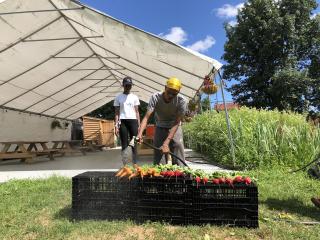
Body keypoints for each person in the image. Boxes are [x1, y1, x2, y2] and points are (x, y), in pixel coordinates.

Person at [137, 77, 187, 166]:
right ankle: (159, 174)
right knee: (159, 152)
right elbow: (146, 117)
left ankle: (181, 172)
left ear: (178, 93)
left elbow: (177, 122)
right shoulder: (155, 97)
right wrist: (140, 133)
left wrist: (166, 142)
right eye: (169, 92)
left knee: (178, 146)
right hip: (160, 126)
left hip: (174, 126)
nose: (171, 96)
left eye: (174, 94)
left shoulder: (182, 101)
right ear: (165, 88)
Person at [114, 77, 140, 165]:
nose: (128, 87)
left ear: (131, 86)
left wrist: (139, 125)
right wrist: (116, 126)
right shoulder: (118, 97)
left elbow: (137, 112)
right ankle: (125, 164)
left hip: (133, 121)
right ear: (123, 85)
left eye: (129, 85)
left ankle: (135, 163)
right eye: (126, 85)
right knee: (124, 143)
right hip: (123, 121)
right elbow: (117, 113)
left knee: (134, 143)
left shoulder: (135, 97)